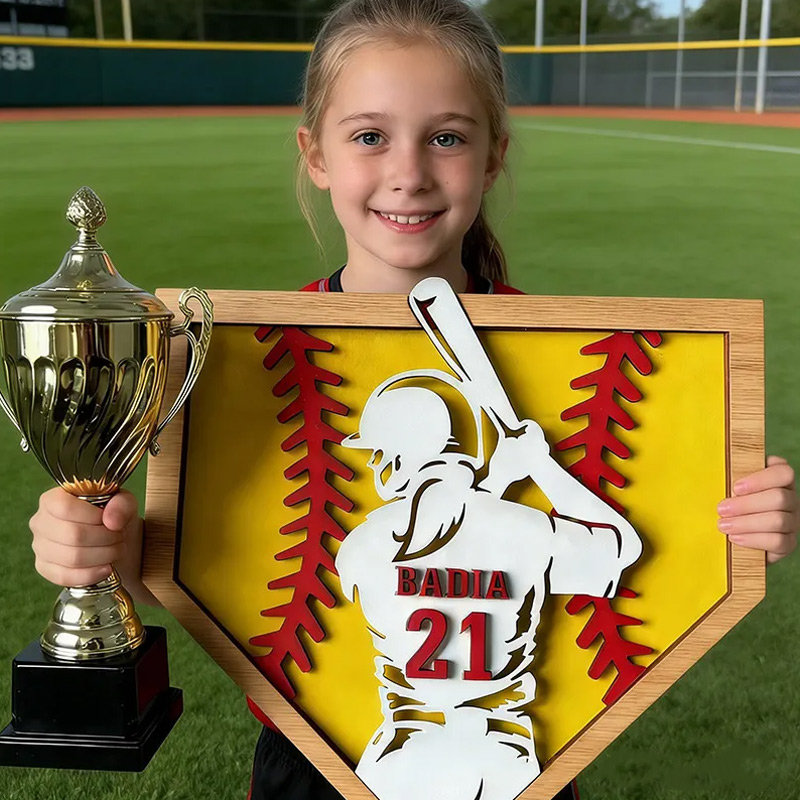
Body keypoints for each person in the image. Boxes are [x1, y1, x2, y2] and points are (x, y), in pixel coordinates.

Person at [28, 0, 799, 798]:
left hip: (531, 761)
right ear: (314, 153)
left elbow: (640, 532)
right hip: (319, 755)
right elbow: (196, 544)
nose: (409, 172)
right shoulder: (222, 362)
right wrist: (94, 547)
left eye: (447, 137)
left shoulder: (559, 357)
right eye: (369, 135)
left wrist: (744, 527)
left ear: (494, 155)